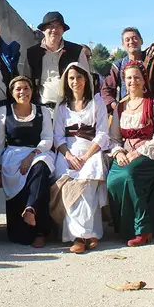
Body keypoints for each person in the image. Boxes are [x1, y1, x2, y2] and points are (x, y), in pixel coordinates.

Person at [106, 61, 154, 247]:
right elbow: (114, 138)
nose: (132, 81)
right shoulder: (121, 108)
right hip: (126, 154)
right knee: (112, 181)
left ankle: (143, 229)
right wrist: (118, 153)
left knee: (131, 175)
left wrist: (139, 151)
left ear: (143, 81)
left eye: (136, 77)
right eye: (129, 78)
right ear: (123, 81)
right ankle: (125, 229)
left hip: (153, 153)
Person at [49, 63, 109, 254]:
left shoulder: (96, 102)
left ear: (86, 79)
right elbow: (57, 136)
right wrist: (68, 156)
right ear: (66, 81)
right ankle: (81, 236)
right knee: (68, 186)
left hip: (90, 150)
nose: (76, 81)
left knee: (87, 186)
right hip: (68, 152)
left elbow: (102, 134)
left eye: (79, 77)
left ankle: (83, 235)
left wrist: (85, 156)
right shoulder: (62, 107)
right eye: (71, 78)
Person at [0, 76, 55, 247]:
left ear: (32, 90)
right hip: (12, 154)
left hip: (39, 151)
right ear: (12, 93)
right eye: (18, 89)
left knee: (40, 168)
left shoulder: (43, 111)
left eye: (26, 88)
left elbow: (48, 138)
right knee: (19, 237)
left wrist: (32, 155)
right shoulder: (4, 112)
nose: (23, 92)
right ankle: (27, 219)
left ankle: (36, 222)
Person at [24, 12, 91, 107]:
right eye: (50, 26)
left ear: (63, 30)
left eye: (58, 26)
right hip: (41, 109)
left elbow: (86, 80)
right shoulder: (32, 53)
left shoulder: (76, 52)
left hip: (70, 109)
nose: (54, 30)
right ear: (43, 30)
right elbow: (26, 81)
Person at [101, 27, 144, 113]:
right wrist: (116, 105)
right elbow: (106, 90)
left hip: (149, 109)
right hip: (128, 112)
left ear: (141, 41)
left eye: (134, 38)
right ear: (123, 45)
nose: (131, 41)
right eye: (127, 40)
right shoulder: (119, 65)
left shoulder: (151, 61)